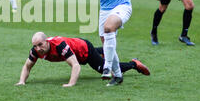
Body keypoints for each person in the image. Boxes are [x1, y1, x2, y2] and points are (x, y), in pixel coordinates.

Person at [16, 32, 150, 87]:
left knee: (105, 69)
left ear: (46, 41)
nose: (38, 48)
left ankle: (134, 64)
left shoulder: (60, 45)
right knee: (102, 55)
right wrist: (22, 81)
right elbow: (27, 66)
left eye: (40, 45)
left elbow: (75, 65)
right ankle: (105, 50)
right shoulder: (35, 50)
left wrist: (71, 84)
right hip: (77, 49)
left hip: (84, 50)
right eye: (35, 46)